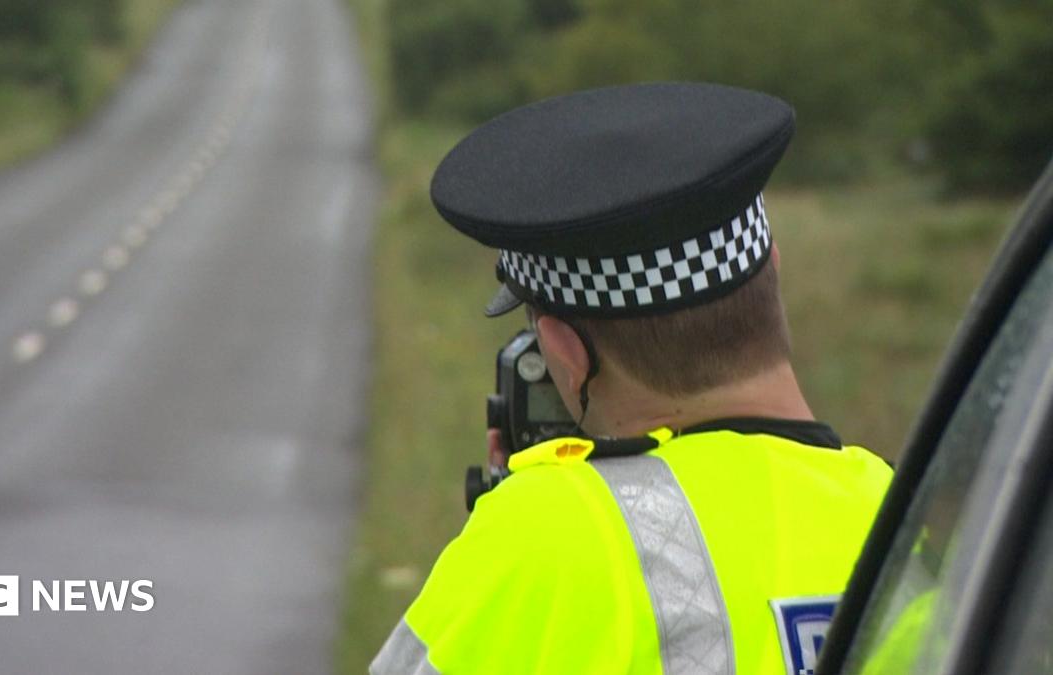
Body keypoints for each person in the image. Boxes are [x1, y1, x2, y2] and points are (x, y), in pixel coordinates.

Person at [370, 82, 893, 675]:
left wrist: (503, 537)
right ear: (771, 268)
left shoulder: (540, 541)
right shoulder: (908, 521)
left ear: (568, 355)